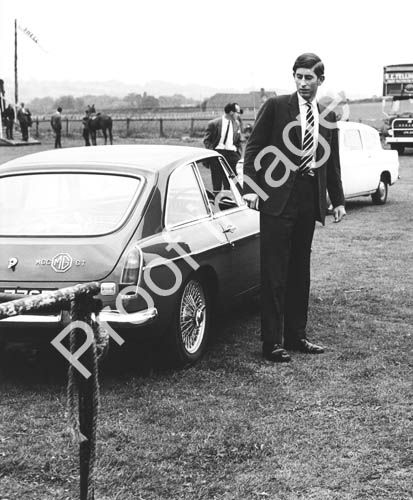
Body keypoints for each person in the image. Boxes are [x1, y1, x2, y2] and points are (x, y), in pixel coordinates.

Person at [242, 53, 346, 363]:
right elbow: (254, 149)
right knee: (274, 272)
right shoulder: (276, 107)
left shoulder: (327, 116)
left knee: (300, 270)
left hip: (308, 198)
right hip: (276, 199)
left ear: (320, 80)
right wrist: (251, 189)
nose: (303, 83)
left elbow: (332, 160)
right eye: (298, 77)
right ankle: (271, 343)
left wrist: (337, 199)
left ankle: (297, 336)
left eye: (309, 78)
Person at [203, 102, 243, 177]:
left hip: (232, 155)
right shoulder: (214, 123)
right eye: (237, 112)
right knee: (217, 181)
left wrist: (238, 154)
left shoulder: (237, 124)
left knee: (231, 182)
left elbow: (238, 141)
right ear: (231, 112)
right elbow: (206, 140)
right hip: (217, 154)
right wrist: (212, 152)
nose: (239, 115)